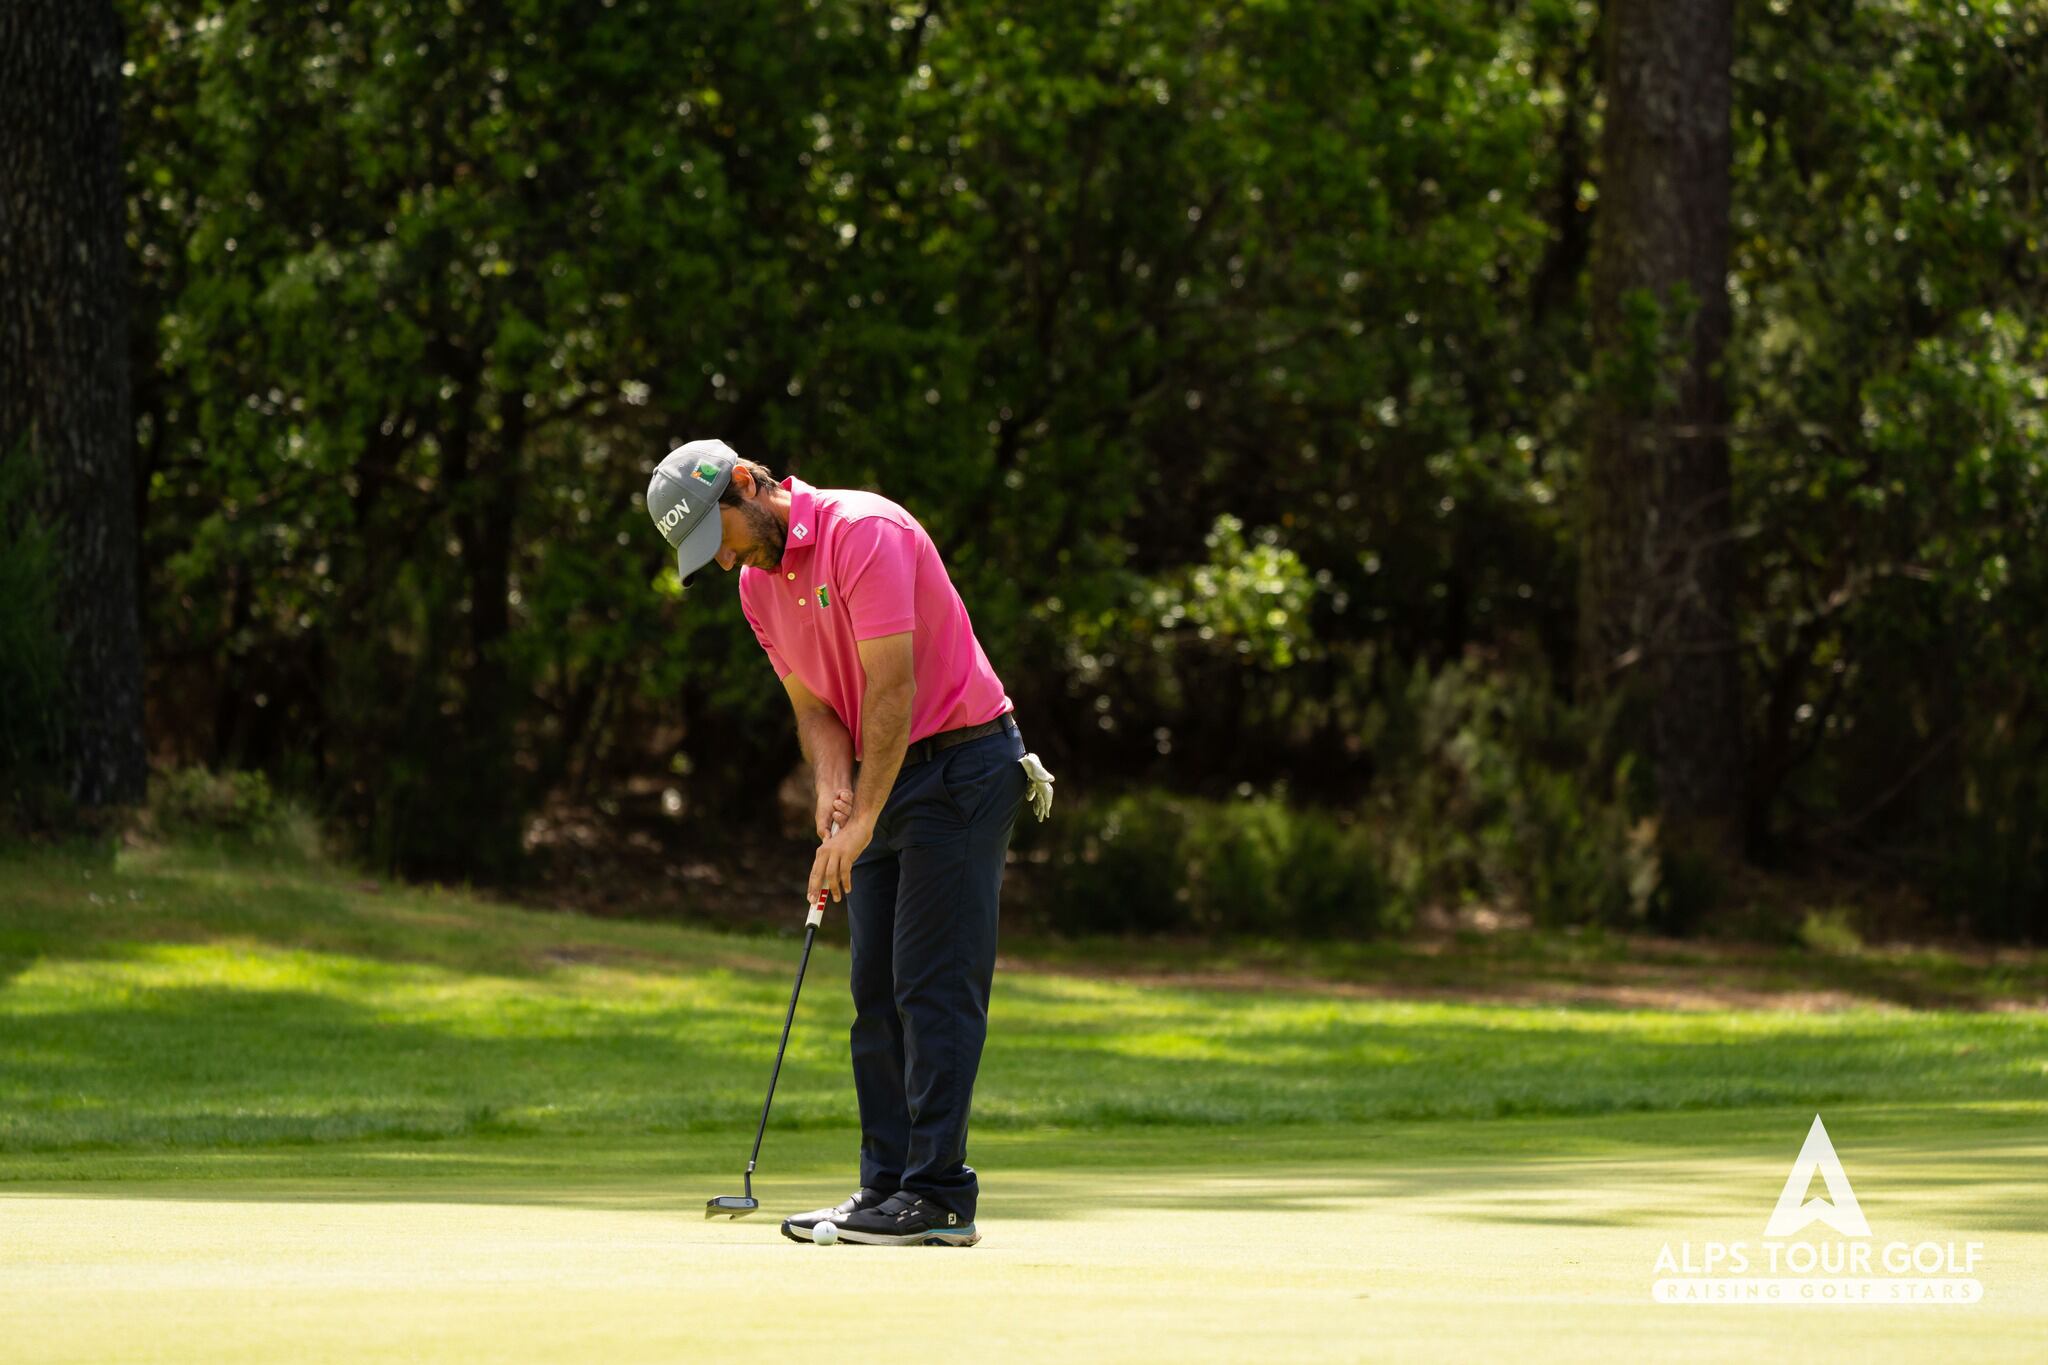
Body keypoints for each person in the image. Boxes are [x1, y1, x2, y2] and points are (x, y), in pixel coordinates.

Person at [644, 438, 1054, 1248]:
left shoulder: (864, 530)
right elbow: (815, 708)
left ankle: (938, 1195)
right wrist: (836, 792)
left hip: (964, 764)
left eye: (719, 537)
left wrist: (863, 816)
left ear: (746, 484)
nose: (724, 562)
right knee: (875, 988)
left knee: (930, 985)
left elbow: (894, 687)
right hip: (887, 768)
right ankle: (886, 1188)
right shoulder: (759, 588)